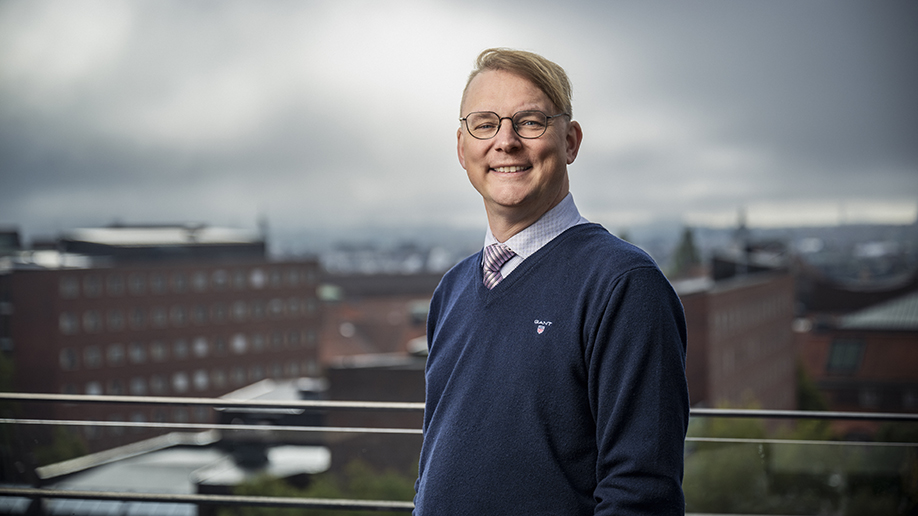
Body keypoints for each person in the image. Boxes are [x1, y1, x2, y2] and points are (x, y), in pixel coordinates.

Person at [413, 48, 689, 515]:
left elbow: (641, 493)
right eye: (485, 123)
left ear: (571, 142)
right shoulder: (452, 290)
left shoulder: (624, 286)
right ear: (462, 147)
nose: (506, 141)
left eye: (530, 122)